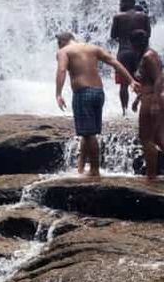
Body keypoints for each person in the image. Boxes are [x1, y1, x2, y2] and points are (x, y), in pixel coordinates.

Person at [55, 32, 139, 176]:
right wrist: (131, 80)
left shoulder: (64, 51)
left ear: (61, 42)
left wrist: (58, 93)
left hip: (83, 93)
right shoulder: (93, 48)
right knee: (86, 133)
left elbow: (62, 70)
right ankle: (80, 168)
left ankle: (94, 170)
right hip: (98, 92)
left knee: (89, 134)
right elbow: (115, 62)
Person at [129, 30, 163, 181]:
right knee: (158, 138)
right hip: (148, 98)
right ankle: (152, 175)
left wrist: (155, 101)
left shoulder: (149, 56)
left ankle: (151, 176)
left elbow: (159, 79)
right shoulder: (146, 55)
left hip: (151, 100)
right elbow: (147, 82)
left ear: (135, 43)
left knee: (146, 138)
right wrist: (138, 98)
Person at [110, 0, 150, 115]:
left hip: (123, 52)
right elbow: (147, 35)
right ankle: (144, 108)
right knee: (144, 81)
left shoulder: (118, 17)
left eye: (121, 3)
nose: (119, 5)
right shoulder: (144, 16)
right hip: (140, 53)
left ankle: (124, 111)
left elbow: (113, 35)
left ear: (127, 3)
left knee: (124, 84)